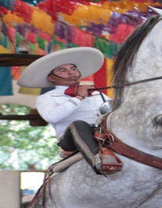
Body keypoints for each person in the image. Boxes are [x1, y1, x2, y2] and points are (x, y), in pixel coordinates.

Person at [18, 47, 120, 175]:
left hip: (104, 135)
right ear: (51, 78)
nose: (71, 73)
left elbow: (116, 109)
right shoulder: (47, 98)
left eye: (73, 68)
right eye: (63, 70)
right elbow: (52, 117)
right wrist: (79, 98)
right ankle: (99, 163)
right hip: (71, 139)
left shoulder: (95, 93)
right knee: (78, 125)